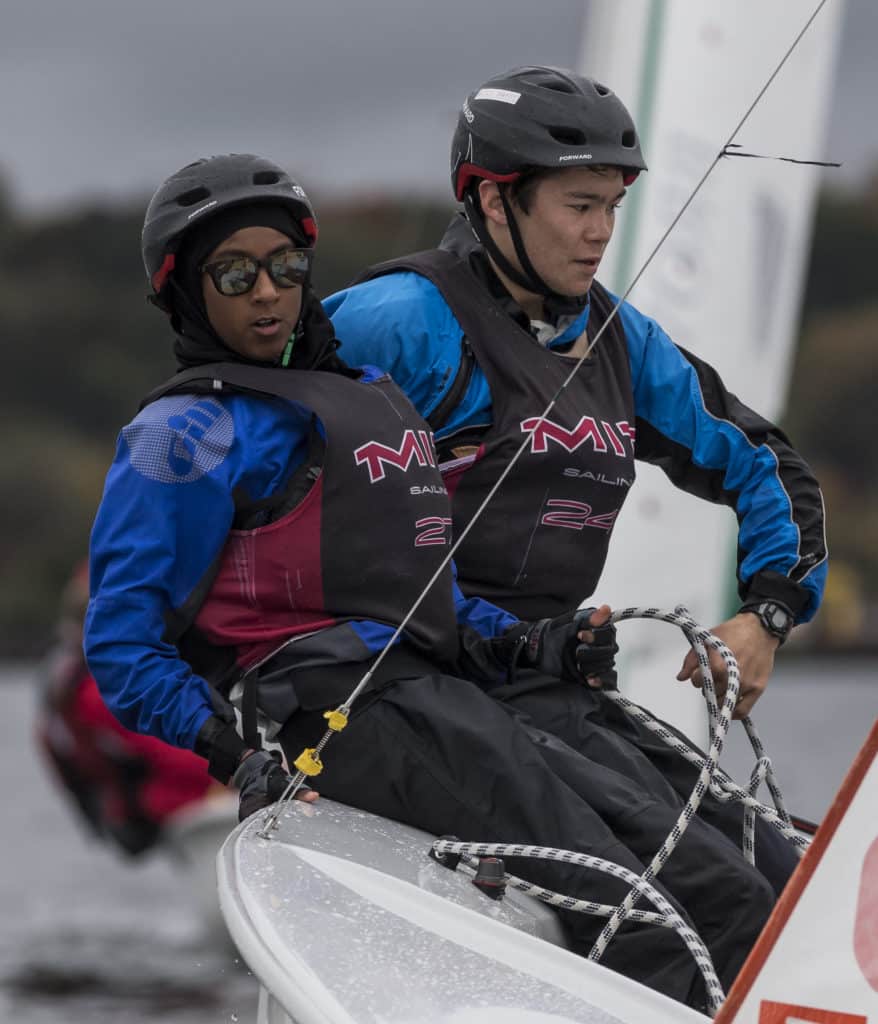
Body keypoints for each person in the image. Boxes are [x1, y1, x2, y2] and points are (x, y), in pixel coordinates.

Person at [84, 153, 777, 1010]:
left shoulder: (367, 396)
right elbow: (121, 646)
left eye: (286, 267)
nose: (267, 292)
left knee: (726, 890)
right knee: (637, 915)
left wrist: (533, 641)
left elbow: (423, 590)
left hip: (448, 701)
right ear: (183, 290)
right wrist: (231, 755)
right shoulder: (180, 437)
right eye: (234, 273)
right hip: (338, 717)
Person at [324, 66, 827, 888]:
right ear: (495, 201)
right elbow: (274, 487)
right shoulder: (395, 321)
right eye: (579, 207)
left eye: (613, 208)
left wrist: (766, 614)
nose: (602, 234)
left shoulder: (624, 343)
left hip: (550, 686)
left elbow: (767, 465)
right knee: (712, 892)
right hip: (413, 690)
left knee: (773, 875)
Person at [37, 561, 218, 856]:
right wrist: (248, 765)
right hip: (164, 801)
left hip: (150, 800)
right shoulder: (99, 692)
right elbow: (179, 759)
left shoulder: (78, 677)